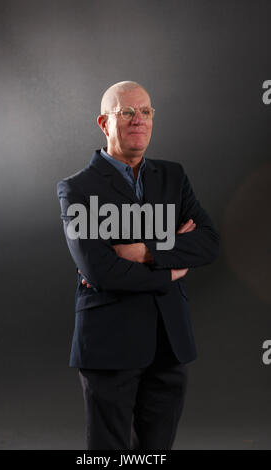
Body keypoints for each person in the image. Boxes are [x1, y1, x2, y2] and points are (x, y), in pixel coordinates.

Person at [56, 81, 220, 450]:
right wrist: (175, 265)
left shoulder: (173, 176)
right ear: (104, 123)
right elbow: (100, 271)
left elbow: (209, 243)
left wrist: (147, 252)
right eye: (126, 112)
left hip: (169, 345)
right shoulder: (76, 190)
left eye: (146, 111)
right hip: (109, 345)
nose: (138, 120)